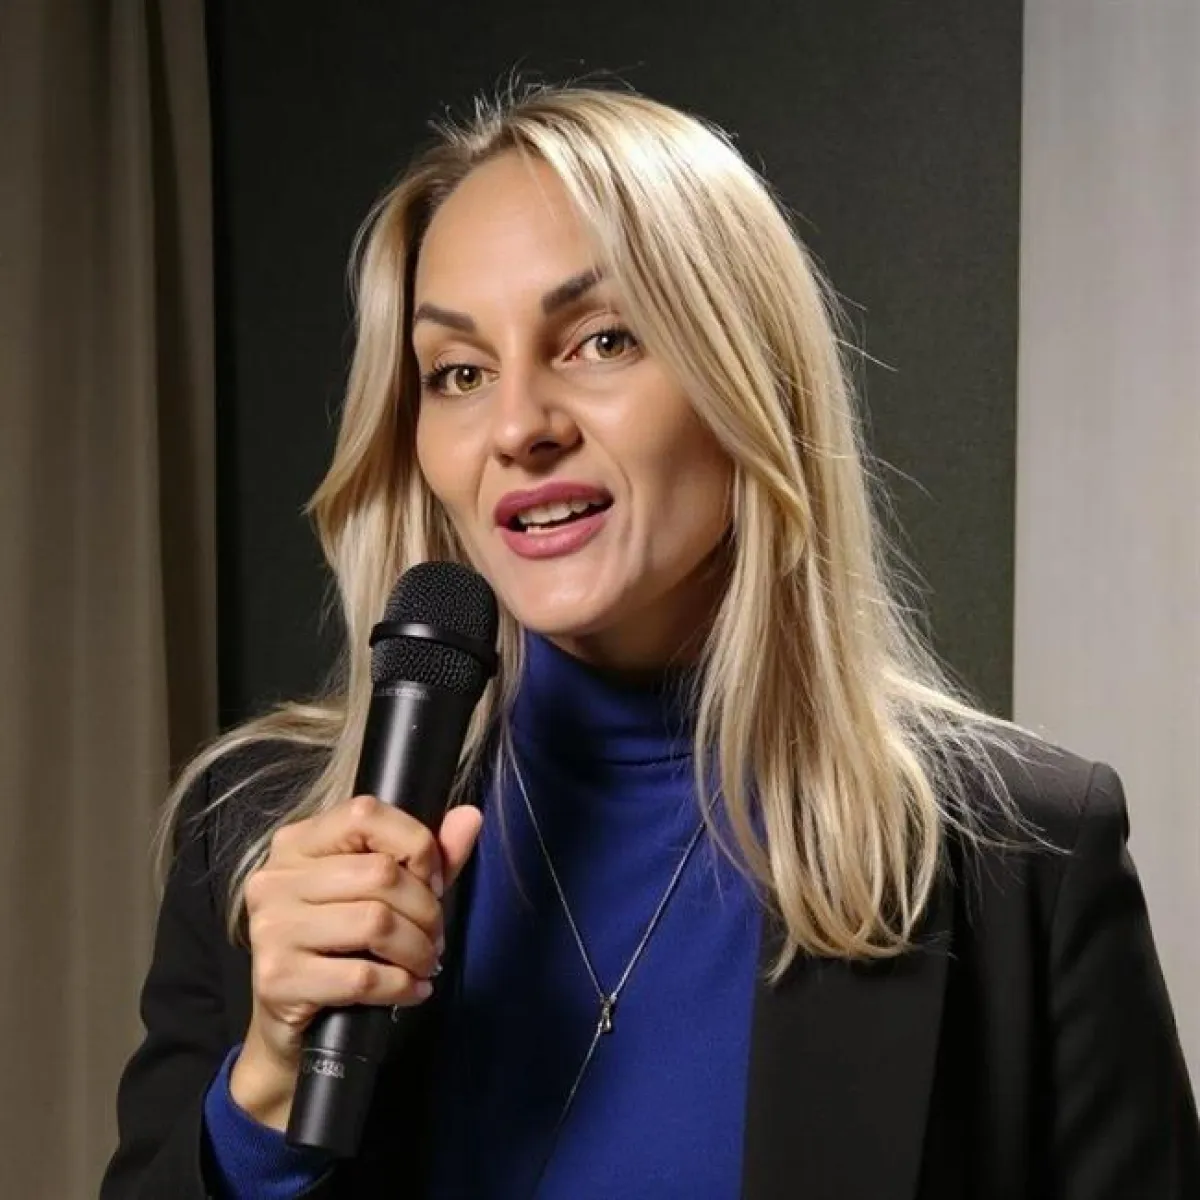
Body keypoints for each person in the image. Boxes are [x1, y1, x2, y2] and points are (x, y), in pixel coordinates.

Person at [100, 83, 1199, 1199]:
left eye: (600, 340)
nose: (519, 428)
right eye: (460, 373)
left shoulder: (1023, 860)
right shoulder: (257, 836)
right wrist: (268, 1091)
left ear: (746, 378)